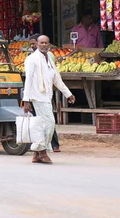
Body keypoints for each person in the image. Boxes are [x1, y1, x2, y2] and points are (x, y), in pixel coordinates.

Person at [22, 35, 75, 164]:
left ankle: (36, 154)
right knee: (50, 123)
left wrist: (68, 94)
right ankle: (42, 151)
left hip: (47, 96)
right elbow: (28, 80)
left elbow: (57, 79)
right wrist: (26, 100)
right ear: (37, 44)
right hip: (37, 96)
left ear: (49, 44)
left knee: (42, 125)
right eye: (41, 43)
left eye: (46, 43)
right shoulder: (32, 59)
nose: (44, 45)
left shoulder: (49, 59)